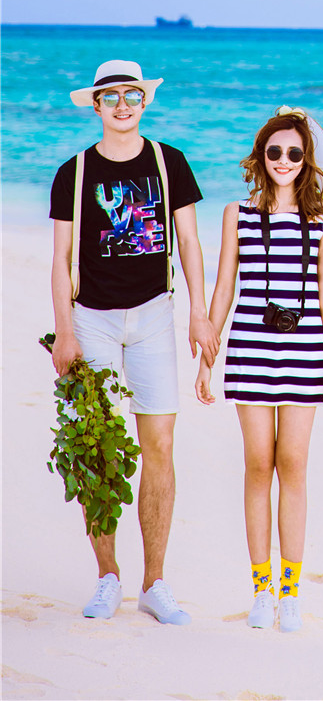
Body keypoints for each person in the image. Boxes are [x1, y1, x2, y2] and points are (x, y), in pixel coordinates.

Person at [196, 105, 323, 633]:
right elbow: (224, 286)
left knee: (294, 465)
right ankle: (260, 590)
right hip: (249, 348)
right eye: (275, 151)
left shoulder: (320, 219)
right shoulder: (237, 214)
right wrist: (207, 356)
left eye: (294, 153)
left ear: (307, 160)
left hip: (305, 351)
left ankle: (290, 593)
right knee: (258, 464)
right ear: (261, 156)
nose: (284, 160)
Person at [49, 59, 217, 625]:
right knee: (96, 447)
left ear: (145, 102)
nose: (123, 105)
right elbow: (60, 259)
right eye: (112, 97)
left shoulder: (170, 162)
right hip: (91, 319)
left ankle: (154, 583)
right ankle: (107, 577)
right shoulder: (73, 173)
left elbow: (189, 244)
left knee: (160, 445)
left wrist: (199, 313)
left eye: (132, 95)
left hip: (154, 315)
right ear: (96, 106)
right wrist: (64, 331)